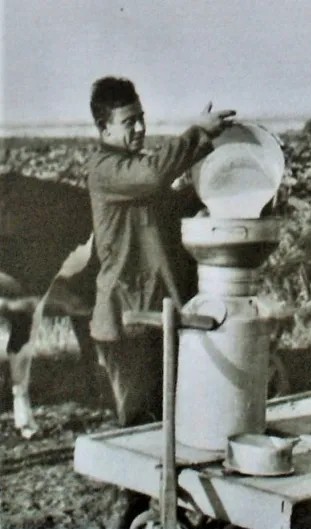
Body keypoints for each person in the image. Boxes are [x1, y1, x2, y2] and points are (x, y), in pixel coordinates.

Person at [87, 76, 235, 529]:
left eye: (141, 119)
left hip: (164, 317)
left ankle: (165, 514)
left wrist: (219, 179)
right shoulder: (106, 169)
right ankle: (135, 517)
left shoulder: (134, 173)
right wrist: (198, 134)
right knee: (141, 436)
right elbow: (153, 176)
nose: (139, 129)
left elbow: (169, 205)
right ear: (104, 129)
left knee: (176, 432)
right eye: (128, 122)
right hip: (128, 324)